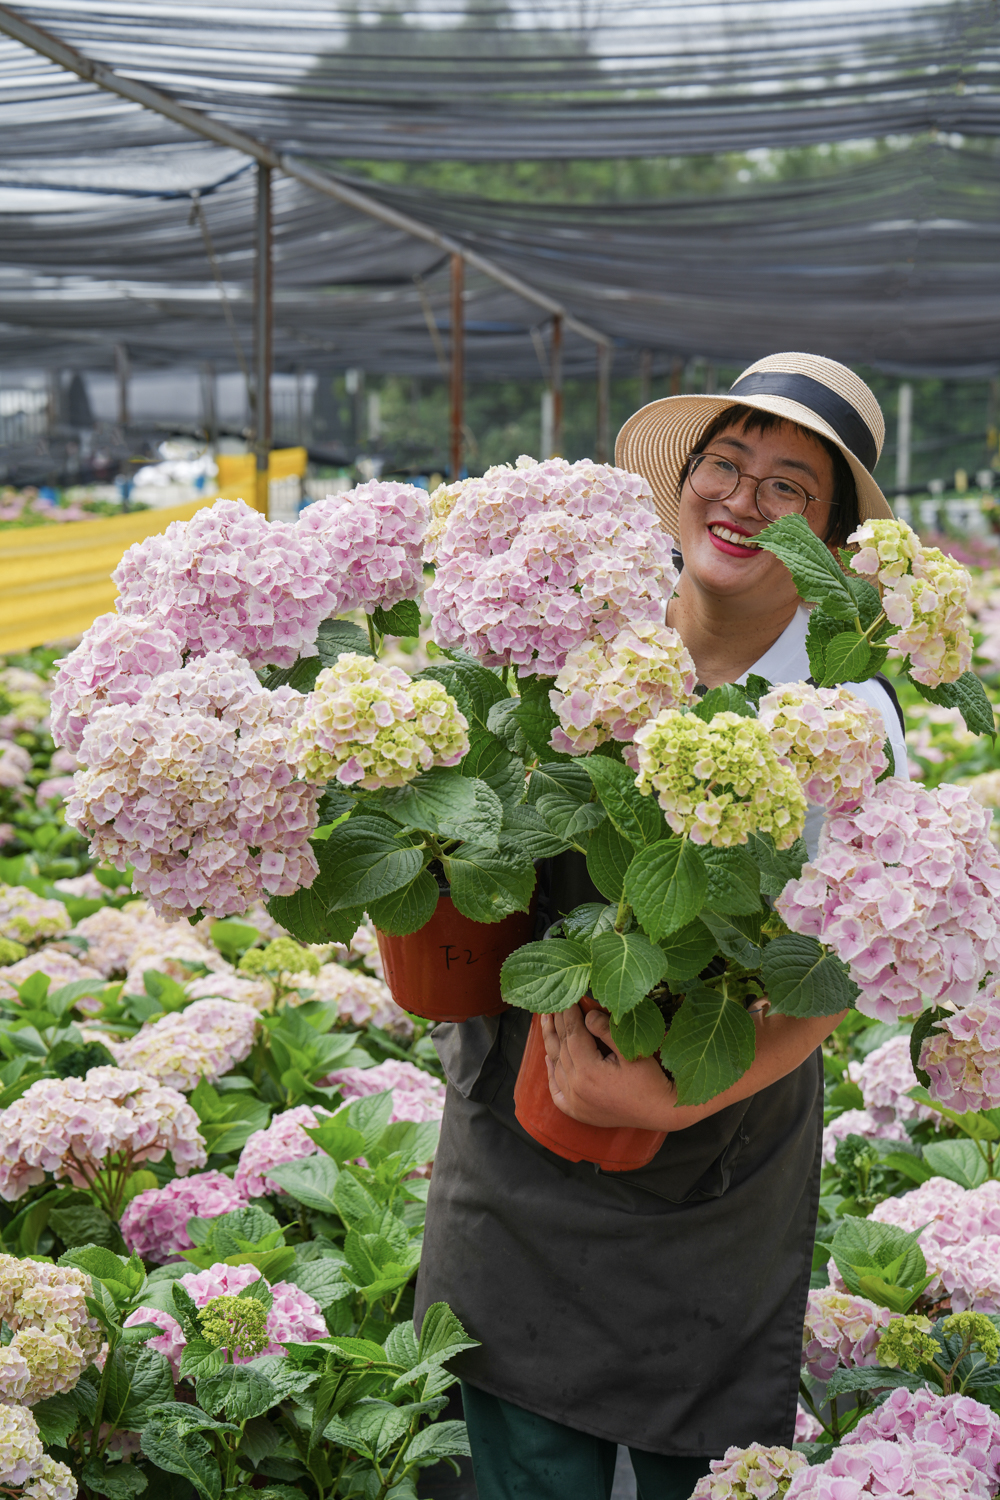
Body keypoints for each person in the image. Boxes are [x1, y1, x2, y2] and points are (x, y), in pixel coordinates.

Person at [414, 353, 909, 1500]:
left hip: (711, 1148)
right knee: (504, 1464)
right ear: (679, 481)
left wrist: (673, 1093)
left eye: (789, 488)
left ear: (828, 544)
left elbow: (836, 970)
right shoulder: (578, 631)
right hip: (514, 1130)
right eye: (723, 465)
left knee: (696, 1462)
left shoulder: (845, 713)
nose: (741, 500)